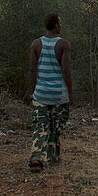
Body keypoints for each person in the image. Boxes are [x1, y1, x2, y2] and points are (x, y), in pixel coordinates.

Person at [28, 13, 72, 171]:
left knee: (40, 126)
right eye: (59, 23)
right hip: (58, 94)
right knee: (55, 127)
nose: (60, 26)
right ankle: (53, 156)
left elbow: (32, 70)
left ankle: (37, 157)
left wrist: (32, 91)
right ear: (55, 26)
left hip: (40, 93)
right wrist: (70, 93)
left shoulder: (36, 44)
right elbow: (66, 70)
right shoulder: (63, 44)